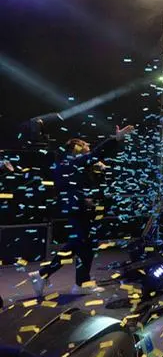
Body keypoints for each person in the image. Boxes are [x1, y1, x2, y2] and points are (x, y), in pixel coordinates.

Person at [30, 125, 133, 297]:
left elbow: (84, 179)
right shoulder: (71, 161)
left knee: (82, 244)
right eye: (85, 145)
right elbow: (94, 156)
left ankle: (54, 277)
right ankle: (56, 277)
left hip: (78, 208)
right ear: (75, 148)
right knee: (83, 244)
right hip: (78, 209)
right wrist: (115, 139)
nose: (88, 148)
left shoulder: (70, 163)